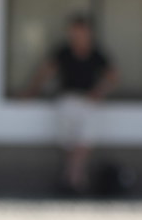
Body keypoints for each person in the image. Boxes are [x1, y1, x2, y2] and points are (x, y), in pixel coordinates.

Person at [26, 13, 118, 195]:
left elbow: (113, 75)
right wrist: (32, 91)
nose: (77, 35)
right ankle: (74, 178)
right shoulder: (63, 51)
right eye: (74, 31)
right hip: (67, 99)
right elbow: (46, 71)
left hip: (88, 101)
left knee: (85, 139)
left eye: (81, 31)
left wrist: (100, 91)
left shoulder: (96, 52)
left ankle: (73, 178)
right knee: (69, 141)